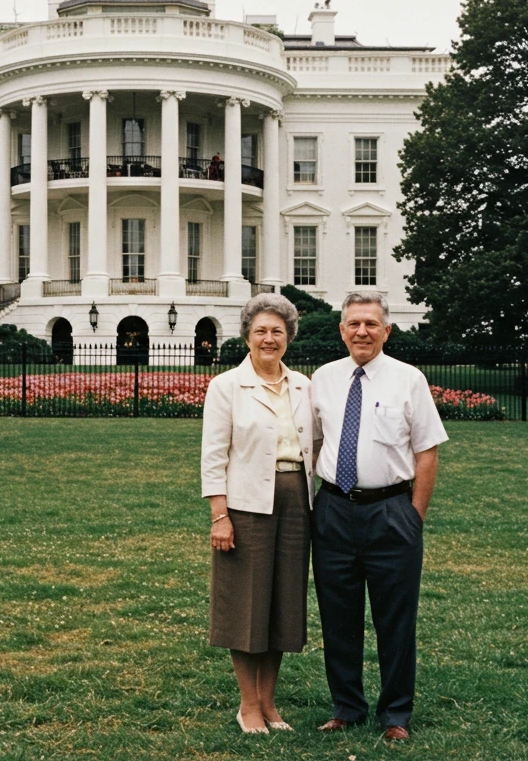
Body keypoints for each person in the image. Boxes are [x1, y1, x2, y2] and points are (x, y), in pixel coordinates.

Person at [309, 291, 447, 741]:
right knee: (338, 616)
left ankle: (395, 716)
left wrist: (414, 517)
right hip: (332, 511)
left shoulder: (408, 380)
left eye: (371, 323)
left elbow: (426, 453)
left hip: (391, 511)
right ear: (342, 330)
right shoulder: (324, 379)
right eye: (353, 324)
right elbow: (313, 443)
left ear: (386, 330)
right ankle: (347, 707)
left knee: (396, 618)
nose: (362, 331)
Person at [201, 293, 318, 734]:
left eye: (277, 332)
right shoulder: (227, 386)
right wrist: (220, 515)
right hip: (246, 504)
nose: (269, 339)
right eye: (261, 331)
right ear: (247, 337)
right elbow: (213, 455)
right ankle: (247, 704)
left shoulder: (304, 386)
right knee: (245, 604)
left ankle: (270, 703)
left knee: (283, 604)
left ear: (288, 337)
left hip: (296, 502)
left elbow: (317, 445)